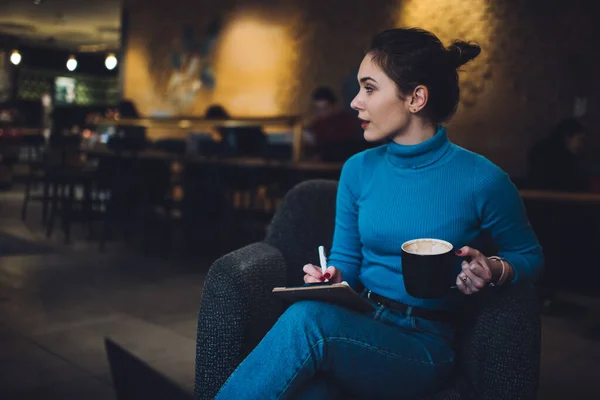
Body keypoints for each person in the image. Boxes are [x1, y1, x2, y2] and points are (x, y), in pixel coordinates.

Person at [215, 28, 544, 399]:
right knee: (311, 392)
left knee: (308, 319)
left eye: (369, 88)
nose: (355, 102)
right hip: (360, 322)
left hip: (424, 346)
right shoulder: (357, 169)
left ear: (416, 98)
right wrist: (332, 276)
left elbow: (529, 255)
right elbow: (347, 260)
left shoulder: (482, 179)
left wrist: (494, 268)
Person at [304, 86, 364, 162]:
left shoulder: (346, 120)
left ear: (333, 106)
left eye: (324, 108)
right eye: (318, 109)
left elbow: (342, 146)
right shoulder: (317, 123)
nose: (321, 112)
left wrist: (316, 140)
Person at [528, 118, 587, 192]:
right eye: (580, 139)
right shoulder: (566, 160)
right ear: (567, 137)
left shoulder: (540, 149)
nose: (581, 145)